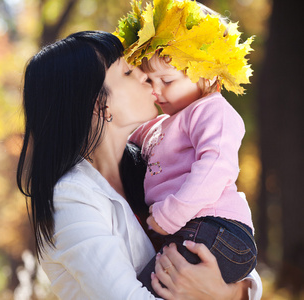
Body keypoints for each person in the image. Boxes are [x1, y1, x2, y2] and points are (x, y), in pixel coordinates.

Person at [17, 30, 262, 299]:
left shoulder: (150, 165)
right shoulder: (72, 198)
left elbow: (227, 255)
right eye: (127, 73)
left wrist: (229, 295)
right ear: (100, 104)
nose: (145, 76)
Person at [114, 0, 257, 291]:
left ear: (205, 76)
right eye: (149, 80)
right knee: (157, 282)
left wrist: (171, 214)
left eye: (166, 80)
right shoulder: (162, 124)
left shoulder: (212, 111)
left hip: (219, 229)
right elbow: (120, 136)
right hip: (193, 228)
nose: (155, 91)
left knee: (150, 286)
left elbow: (217, 167)